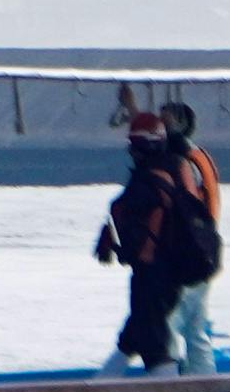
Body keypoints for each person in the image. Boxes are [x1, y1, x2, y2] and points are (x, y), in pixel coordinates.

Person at [93, 110, 219, 373]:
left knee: (159, 339)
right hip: (197, 259)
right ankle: (202, 385)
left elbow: (149, 222)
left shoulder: (152, 178)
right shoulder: (183, 164)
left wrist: (129, 247)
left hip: (162, 272)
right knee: (190, 334)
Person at [158, 98, 225, 369]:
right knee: (195, 327)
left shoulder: (183, 164)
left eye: (165, 122)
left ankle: (172, 380)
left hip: (189, 253)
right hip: (204, 250)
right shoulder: (196, 158)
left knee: (169, 323)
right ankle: (203, 377)